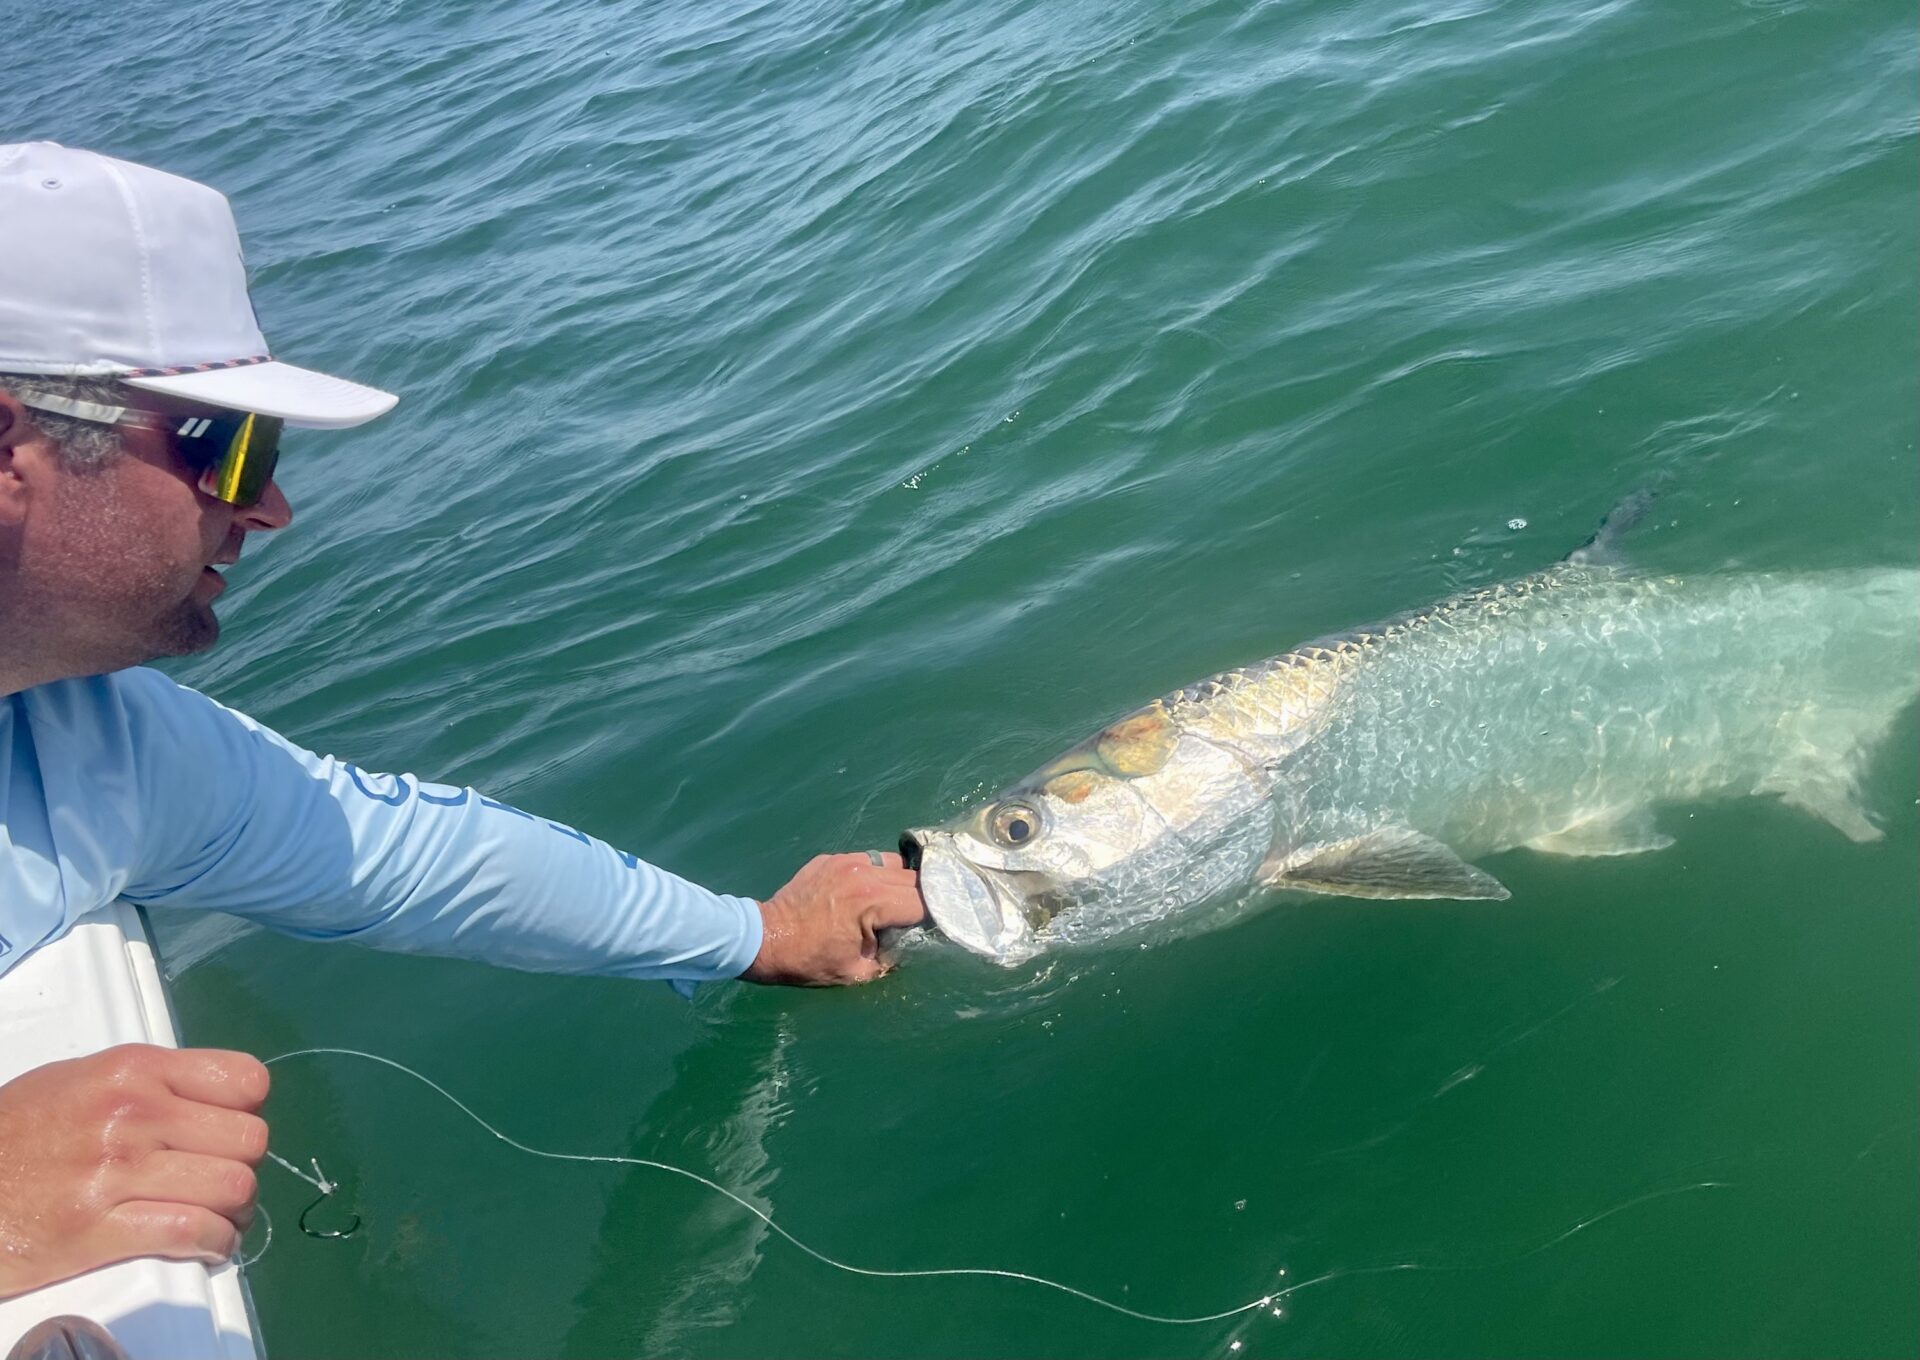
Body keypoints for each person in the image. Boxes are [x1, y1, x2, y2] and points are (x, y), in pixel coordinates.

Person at [0, 141, 927, 1303]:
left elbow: (406, 855)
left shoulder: (95, 745)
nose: (269, 506)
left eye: (266, 451)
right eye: (224, 448)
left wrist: (752, 935)